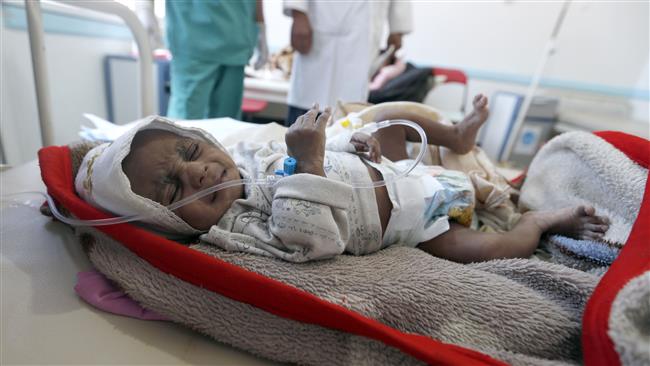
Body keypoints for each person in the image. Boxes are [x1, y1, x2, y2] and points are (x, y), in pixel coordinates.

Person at [75, 94, 610, 263]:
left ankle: (457, 139)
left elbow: (325, 151)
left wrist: (348, 147)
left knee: (385, 117)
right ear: (166, 220)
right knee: (490, 248)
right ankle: (536, 222)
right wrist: (306, 166)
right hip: (415, 223)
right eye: (172, 189)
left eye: (190, 150)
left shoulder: (250, 153)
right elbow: (311, 242)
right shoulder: (230, 230)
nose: (196, 172)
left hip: (399, 169)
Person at [283, 1, 413, 126]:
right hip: (322, 22)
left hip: (364, 33)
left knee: (351, 112)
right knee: (309, 101)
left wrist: (398, 29)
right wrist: (298, 12)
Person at [164, 0, 269, 120]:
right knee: (184, 126)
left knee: (227, 127)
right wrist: (144, 6)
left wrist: (260, 25)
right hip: (193, 35)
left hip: (236, 38)